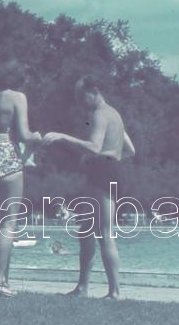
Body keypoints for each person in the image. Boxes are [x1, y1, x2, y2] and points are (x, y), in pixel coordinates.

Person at [43, 75, 136, 300]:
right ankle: (82, 287)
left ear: (93, 91)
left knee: (104, 233)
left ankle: (114, 292)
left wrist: (63, 137)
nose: (78, 101)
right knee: (86, 231)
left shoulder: (99, 114)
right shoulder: (115, 114)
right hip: (112, 170)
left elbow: (94, 147)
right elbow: (130, 150)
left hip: (102, 173)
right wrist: (107, 157)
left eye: (80, 96)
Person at [0, 60, 42, 298]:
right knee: (8, 222)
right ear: (19, 79)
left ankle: (1, 279)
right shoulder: (17, 97)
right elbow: (24, 134)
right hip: (5, 154)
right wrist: (37, 137)